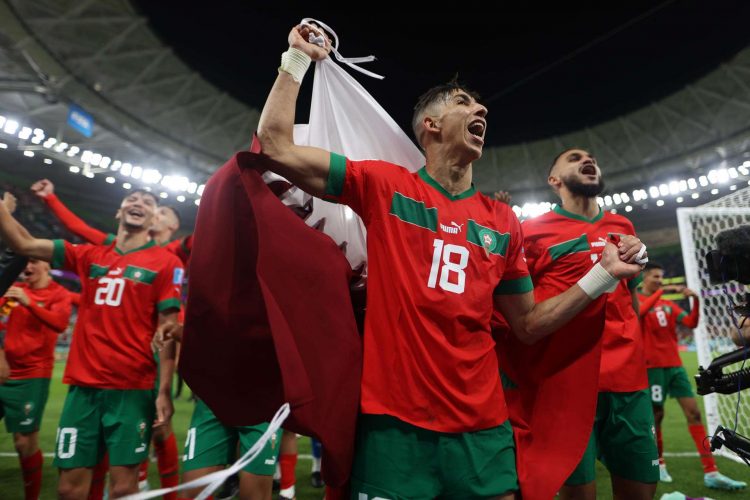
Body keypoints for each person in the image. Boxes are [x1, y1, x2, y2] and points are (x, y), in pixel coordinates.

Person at [254, 23, 646, 498]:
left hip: (482, 426)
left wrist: (603, 275)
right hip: (394, 427)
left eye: (478, 104)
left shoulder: (502, 221)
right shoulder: (387, 187)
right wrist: (295, 59)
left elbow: (528, 326)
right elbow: (275, 145)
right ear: (430, 126)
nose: (479, 107)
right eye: (462, 102)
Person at [0, 188, 183, 499]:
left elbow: (168, 331)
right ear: (119, 212)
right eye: (131, 199)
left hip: (132, 390)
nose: (138, 203)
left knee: (124, 487)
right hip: (82, 391)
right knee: (69, 490)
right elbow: (23, 244)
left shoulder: (168, 264)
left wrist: (164, 391)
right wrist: (3, 209)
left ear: (154, 219)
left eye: (148, 203)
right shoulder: (88, 255)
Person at [639, 263, 746, 490]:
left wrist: (695, 300)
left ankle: (711, 472)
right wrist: (661, 292)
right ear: (644, 278)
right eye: (656, 277)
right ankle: (660, 463)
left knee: (694, 413)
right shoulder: (636, 300)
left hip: (675, 367)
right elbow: (639, 313)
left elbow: (691, 323)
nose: (660, 280)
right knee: (657, 415)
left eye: (662, 277)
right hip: (652, 368)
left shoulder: (668, 305)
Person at [0, 255, 72, 500]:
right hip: (1, 371)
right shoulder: (13, 289)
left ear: (47, 265)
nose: (27, 268)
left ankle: (31, 495)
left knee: (23, 442)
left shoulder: (58, 294)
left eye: (32, 262)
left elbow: (61, 324)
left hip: (32, 376)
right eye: (24, 263)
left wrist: (30, 303)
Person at [31, 178, 192, 265]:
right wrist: (50, 198)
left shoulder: (177, 251)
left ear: (174, 225)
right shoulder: (117, 245)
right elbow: (78, 227)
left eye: (162, 212)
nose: (155, 212)